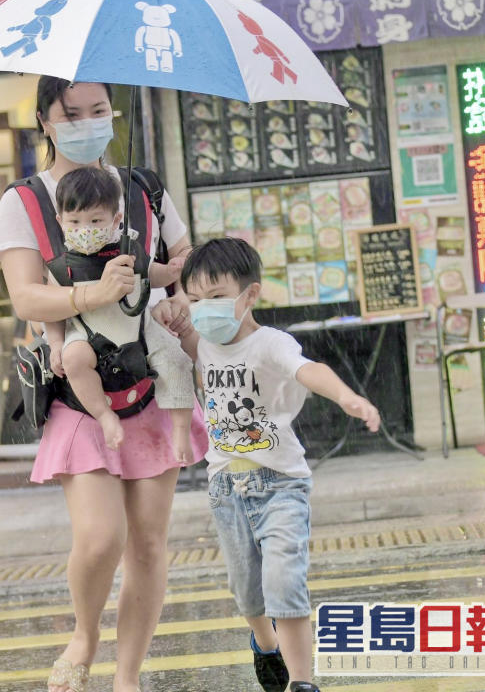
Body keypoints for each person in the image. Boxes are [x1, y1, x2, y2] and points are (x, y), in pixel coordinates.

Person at [0, 75, 207, 692]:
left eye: (100, 111)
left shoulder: (144, 187)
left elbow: (183, 257)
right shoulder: (26, 201)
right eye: (74, 113)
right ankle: (84, 632)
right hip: (80, 389)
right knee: (100, 537)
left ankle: (127, 675)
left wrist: (178, 299)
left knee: (147, 542)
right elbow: (25, 294)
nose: (89, 124)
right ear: (45, 120)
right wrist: (92, 293)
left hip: (147, 382)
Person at [153, 237, 381, 692]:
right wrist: (170, 311)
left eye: (216, 298)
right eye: (196, 300)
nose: (203, 308)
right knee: (248, 590)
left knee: (283, 581)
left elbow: (307, 369)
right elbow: (172, 333)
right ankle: (264, 643)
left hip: (280, 483)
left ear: (250, 295)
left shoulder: (270, 343)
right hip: (225, 489)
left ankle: (301, 681)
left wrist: (347, 396)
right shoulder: (202, 345)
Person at [44, 166, 193, 459]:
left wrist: (171, 271)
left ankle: (181, 429)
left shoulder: (129, 249)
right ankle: (103, 415)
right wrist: (56, 344)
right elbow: (52, 309)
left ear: (116, 219)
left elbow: (153, 274)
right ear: (60, 221)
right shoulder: (62, 268)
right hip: (87, 331)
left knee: (176, 359)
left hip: (139, 324)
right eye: (74, 222)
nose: (84, 229)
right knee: (74, 359)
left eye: (95, 220)